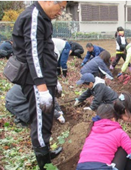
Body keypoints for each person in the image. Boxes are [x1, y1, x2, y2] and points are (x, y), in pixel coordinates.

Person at [12, 1, 67, 169]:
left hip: (45, 78)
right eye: (61, 7)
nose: (61, 12)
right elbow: (33, 54)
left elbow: (46, 52)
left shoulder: (44, 18)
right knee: (40, 121)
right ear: (49, 1)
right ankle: (44, 164)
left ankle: (46, 151)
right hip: (35, 81)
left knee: (47, 119)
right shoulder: (33, 17)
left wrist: (54, 79)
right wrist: (41, 87)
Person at [77, 104, 131, 170]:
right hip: (101, 168)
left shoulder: (91, 132)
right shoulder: (118, 132)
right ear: (113, 119)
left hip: (80, 167)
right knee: (125, 149)